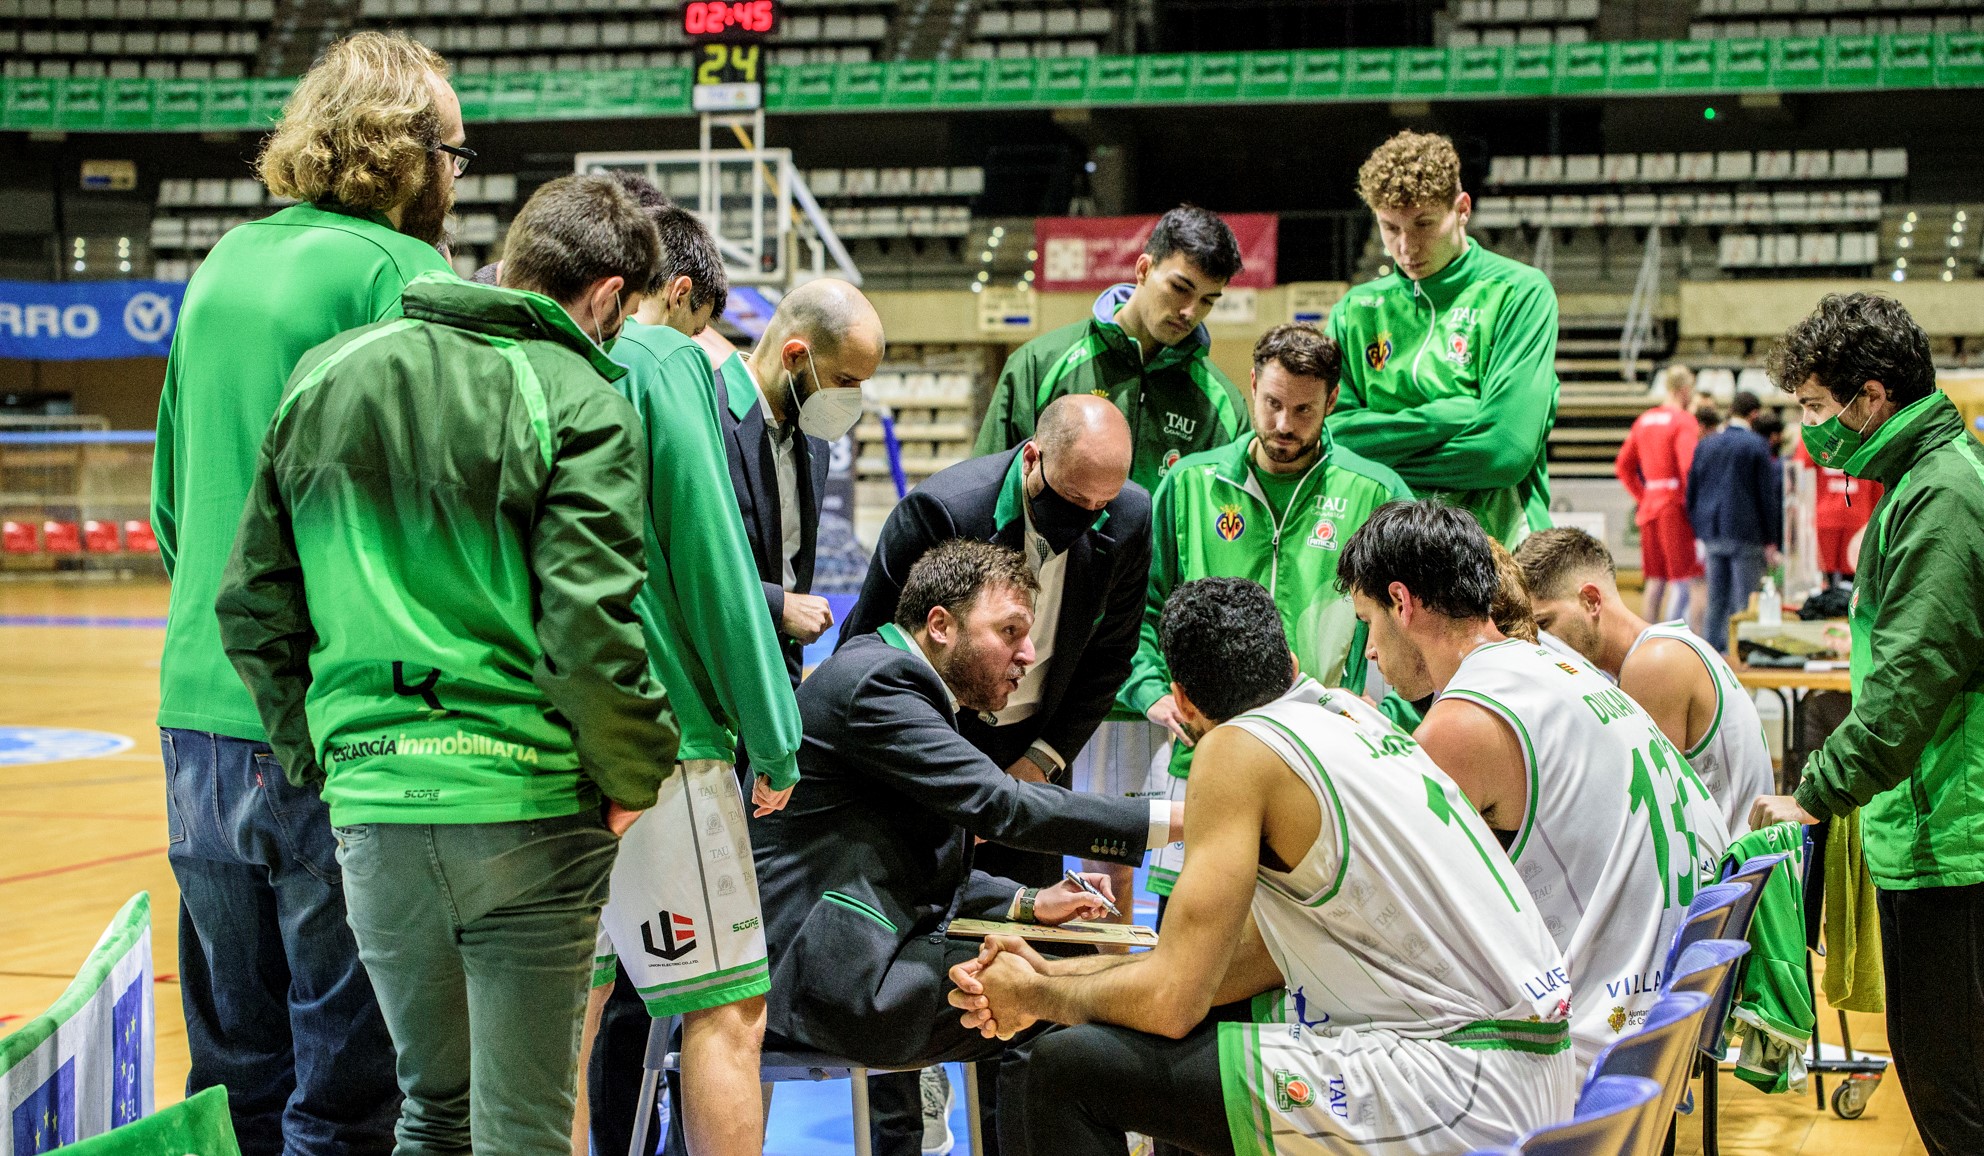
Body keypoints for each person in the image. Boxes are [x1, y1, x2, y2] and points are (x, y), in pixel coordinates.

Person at [215, 173, 679, 1156]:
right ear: (607, 296)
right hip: (526, 808)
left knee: (431, 1114)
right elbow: (590, 627)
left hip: (374, 805)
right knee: (521, 1130)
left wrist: (322, 755)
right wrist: (635, 771)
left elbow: (252, 602)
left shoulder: (328, 372)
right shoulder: (578, 395)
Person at [949, 577, 1577, 1156]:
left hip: (1457, 1082)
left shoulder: (1237, 747)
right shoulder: (1352, 716)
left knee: (1059, 1072)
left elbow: (1172, 999)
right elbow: (1233, 967)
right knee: (1187, 1043)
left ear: (1181, 700)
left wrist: (1035, 993)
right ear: (1291, 665)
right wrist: (1054, 974)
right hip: (1539, 1069)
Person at [146, 31, 459, 1154]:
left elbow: (170, 508)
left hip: (195, 715)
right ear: (405, 151)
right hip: (332, 723)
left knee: (234, 1071)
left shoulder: (223, 262)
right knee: (345, 1090)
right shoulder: (400, 275)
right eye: (454, 152)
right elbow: (436, 522)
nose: (457, 176)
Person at [753, 539, 1181, 1156]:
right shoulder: (881, 683)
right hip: (827, 979)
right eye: (1009, 632)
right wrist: (1177, 819)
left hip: (850, 954)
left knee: (1075, 968)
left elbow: (913, 857)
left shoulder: (890, 678)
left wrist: (1029, 902)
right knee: (1074, 991)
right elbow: (1004, 805)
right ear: (940, 625)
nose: (1028, 655)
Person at [837, 394, 1154, 1155]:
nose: (1090, 518)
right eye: (1075, 501)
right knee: (902, 951)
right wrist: (941, 772)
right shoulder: (943, 511)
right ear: (1033, 459)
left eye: (1104, 505)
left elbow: (1110, 655)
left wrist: (1037, 764)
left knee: (1026, 973)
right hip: (930, 741)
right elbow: (870, 650)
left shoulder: (1130, 516)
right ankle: (905, 1139)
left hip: (1034, 747)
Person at [1340, 500, 1729, 1066]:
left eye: (1367, 623)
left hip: (1595, 1044)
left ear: (1401, 603)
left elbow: (1378, 906)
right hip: (1671, 1011)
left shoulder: (1464, 722)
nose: (1371, 650)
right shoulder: (1560, 667)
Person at [575, 174, 794, 1156]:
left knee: (562, 1017)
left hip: (522, 737)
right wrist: (775, 734)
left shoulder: (504, 350)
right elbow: (711, 558)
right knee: (727, 1008)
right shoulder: (662, 358)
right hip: (658, 733)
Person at [1748, 292, 1984, 1156]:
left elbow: (1912, 681)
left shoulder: (1942, 494)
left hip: (1954, 836)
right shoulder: (1927, 479)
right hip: (1939, 821)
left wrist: (1817, 791)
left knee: (1955, 1096)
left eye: (1816, 407)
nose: (1809, 428)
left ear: (1872, 399)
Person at [1116, 323, 1412, 899]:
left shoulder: (1375, 493)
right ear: (1252, 385)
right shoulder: (1189, 484)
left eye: (1303, 410)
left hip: (1323, 759)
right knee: (1197, 925)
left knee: (1302, 931)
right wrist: (1150, 688)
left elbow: (1414, 627)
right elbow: (1138, 609)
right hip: (1204, 756)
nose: (1283, 425)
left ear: (1332, 400)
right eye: (1272, 403)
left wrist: (1387, 714)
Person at [1326, 131, 1560, 548]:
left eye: (1424, 224)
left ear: (1462, 209)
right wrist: (1456, 414)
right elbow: (1330, 440)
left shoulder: (1520, 292)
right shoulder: (1354, 310)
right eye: (1389, 227)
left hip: (1498, 546)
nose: (1406, 247)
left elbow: (1503, 452)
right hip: (1388, 549)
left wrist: (1376, 461)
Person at [1517, 527, 1775, 837]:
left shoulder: (1654, 664)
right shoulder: (1657, 652)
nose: (1539, 643)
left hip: (1733, 865)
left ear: (1591, 600)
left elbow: (1642, 821)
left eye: (1544, 624)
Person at [973, 204, 1248, 493]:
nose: (1190, 312)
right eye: (1180, 288)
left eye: (1207, 300)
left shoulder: (1223, 406)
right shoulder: (1039, 365)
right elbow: (985, 489)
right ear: (1143, 269)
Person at [713, 278, 885, 687]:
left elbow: (790, 569)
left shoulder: (813, 437)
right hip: (708, 675)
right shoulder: (707, 416)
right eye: (845, 381)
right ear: (794, 356)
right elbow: (680, 565)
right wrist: (778, 607)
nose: (852, 399)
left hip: (774, 678)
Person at [1687, 390, 1784, 653]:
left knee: (1716, 601)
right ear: (1754, 415)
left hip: (1713, 531)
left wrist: (1699, 529)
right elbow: (1766, 497)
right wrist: (1772, 538)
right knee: (1746, 600)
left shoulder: (1706, 443)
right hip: (1746, 532)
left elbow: (1692, 490)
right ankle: (1743, 654)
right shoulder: (1756, 445)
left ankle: (1710, 655)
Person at [1615, 364, 1705, 634]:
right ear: (1685, 389)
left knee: (1655, 581)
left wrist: (1643, 496)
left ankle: (1648, 640)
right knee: (1695, 579)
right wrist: (1696, 506)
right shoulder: (1683, 420)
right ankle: (1699, 644)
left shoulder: (1644, 420)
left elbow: (1623, 466)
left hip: (1650, 506)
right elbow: (1688, 467)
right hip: (1675, 506)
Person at [1790, 435, 1882, 585]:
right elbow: (1879, 478)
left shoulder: (1819, 430)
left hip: (1825, 516)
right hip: (1858, 515)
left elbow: (1799, 467)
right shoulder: (1870, 429)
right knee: (1855, 582)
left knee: (1823, 582)